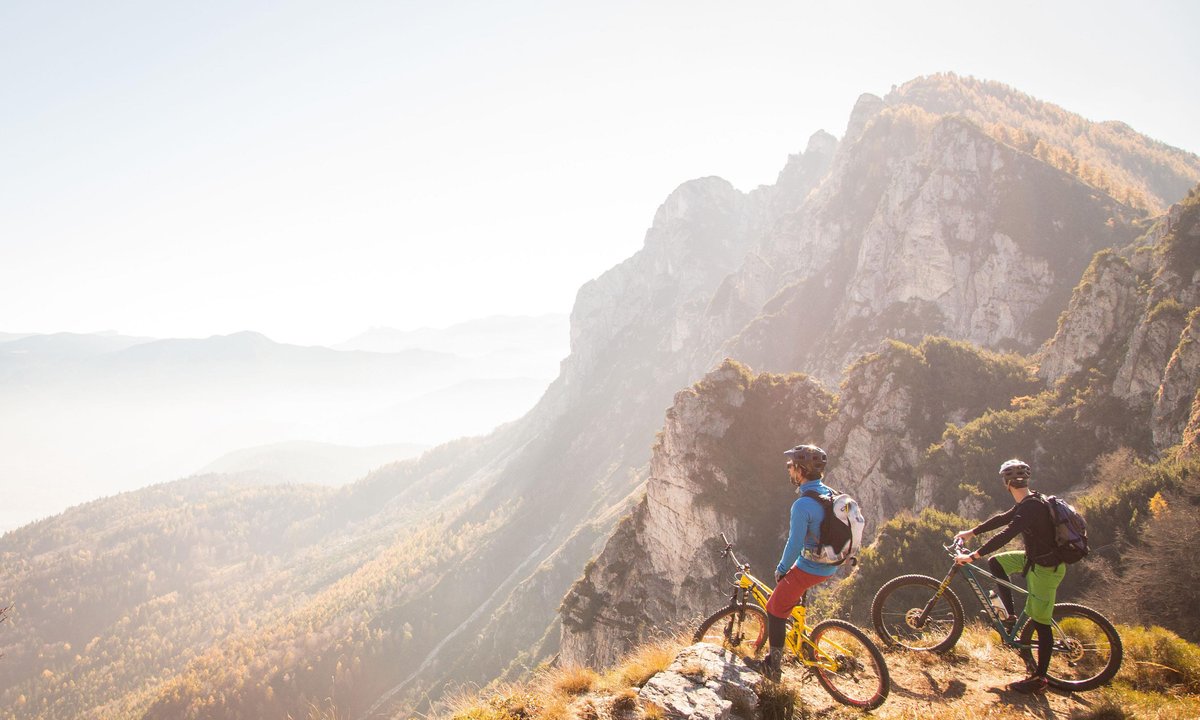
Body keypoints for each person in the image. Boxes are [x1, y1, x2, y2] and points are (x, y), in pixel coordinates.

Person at [953, 459, 1066, 694]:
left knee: (1041, 623)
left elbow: (1007, 533)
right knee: (997, 562)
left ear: (1006, 484)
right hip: (1034, 557)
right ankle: (1011, 616)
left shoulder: (1030, 506)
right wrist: (972, 532)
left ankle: (1040, 679)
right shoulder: (1031, 500)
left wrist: (973, 556)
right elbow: (1003, 519)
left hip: (1046, 567)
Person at [757, 444, 841, 681]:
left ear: (801, 470)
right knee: (791, 597)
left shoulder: (802, 505)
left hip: (811, 567)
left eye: (790, 466)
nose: (788, 470)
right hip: (832, 564)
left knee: (774, 608)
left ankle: (773, 667)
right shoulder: (830, 494)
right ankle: (801, 641)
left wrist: (781, 570)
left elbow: (794, 544)